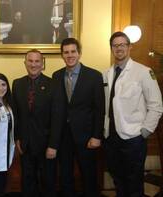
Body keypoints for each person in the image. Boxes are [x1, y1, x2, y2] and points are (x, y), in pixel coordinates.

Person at [103, 31, 163, 197]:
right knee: (118, 179)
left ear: (130, 47)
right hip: (111, 138)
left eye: (122, 44)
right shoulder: (106, 74)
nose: (119, 48)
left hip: (133, 139)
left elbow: (156, 105)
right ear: (111, 49)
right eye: (115, 45)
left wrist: (145, 131)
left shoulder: (144, 72)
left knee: (134, 181)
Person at [52, 38, 105, 197]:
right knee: (66, 176)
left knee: (89, 175)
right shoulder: (56, 76)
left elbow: (99, 109)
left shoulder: (94, 76)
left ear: (79, 53)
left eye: (73, 51)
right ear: (62, 55)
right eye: (66, 52)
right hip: (64, 137)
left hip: (87, 137)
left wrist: (97, 136)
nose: (70, 55)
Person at [12, 49, 57, 197]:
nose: (33, 64)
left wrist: (53, 145)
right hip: (25, 144)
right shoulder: (17, 84)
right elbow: (15, 114)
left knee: (47, 182)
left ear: (42, 63)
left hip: (46, 144)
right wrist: (17, 138)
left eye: (37, 61)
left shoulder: (53, 84)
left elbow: (57, 117)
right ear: (25, 63)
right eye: (30, 61)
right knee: (27, 181)